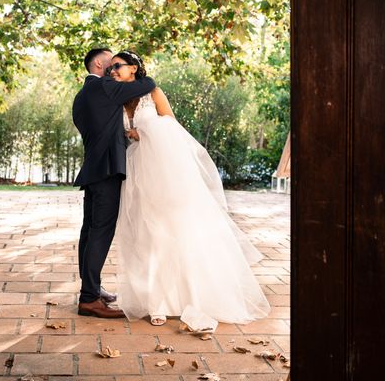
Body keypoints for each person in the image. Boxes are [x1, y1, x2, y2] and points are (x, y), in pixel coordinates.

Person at [110, 50, 271, 329]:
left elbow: (171, 125)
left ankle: (188, 298)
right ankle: (155, 301)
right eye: (110, 68)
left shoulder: (153, 93)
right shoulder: (116, 99)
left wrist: (143, 132)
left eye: (118, 66)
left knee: (174, 231)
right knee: (145, 234)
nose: (113, 71)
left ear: (134, 68)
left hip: (165, 171)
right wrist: (130, 134)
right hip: (137, 172)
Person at [72, 48, 156, 318]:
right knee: (101, 232)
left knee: (89, 232)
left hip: (92, 170)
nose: (114, 66)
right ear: (99, 63)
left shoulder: (81, 95)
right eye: (111, 61)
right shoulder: (105, 86)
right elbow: (148, 84)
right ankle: (89, 299)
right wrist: (135, 69)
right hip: (107, 171)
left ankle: (93, 289)